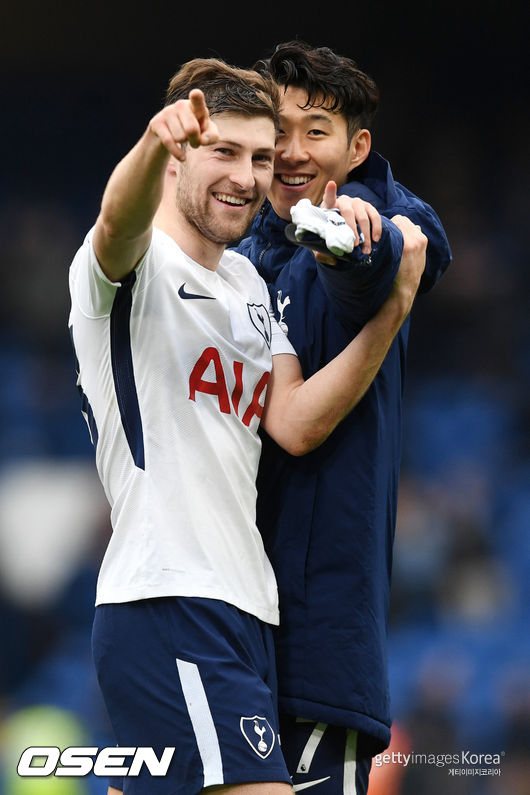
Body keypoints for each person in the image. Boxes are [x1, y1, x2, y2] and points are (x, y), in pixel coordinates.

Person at [67, 57, 427, 795]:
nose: (246, 176)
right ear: (178, 158)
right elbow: (115, 221)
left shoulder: (248, 283)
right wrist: (150, 143)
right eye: (224, 151)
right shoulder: (134, 267)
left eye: (260, 158)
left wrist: (392, 311)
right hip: (170, 595)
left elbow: (295, 422)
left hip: (248, 610)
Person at [235, 40, 452, 794]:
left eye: (316, 130)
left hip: (320, 653)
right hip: (236, 631)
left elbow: (389, 255)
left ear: (357, 149)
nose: (293, 151)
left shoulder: (356, 226)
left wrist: (362, 237)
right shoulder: (249, 261)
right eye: (279, 131)